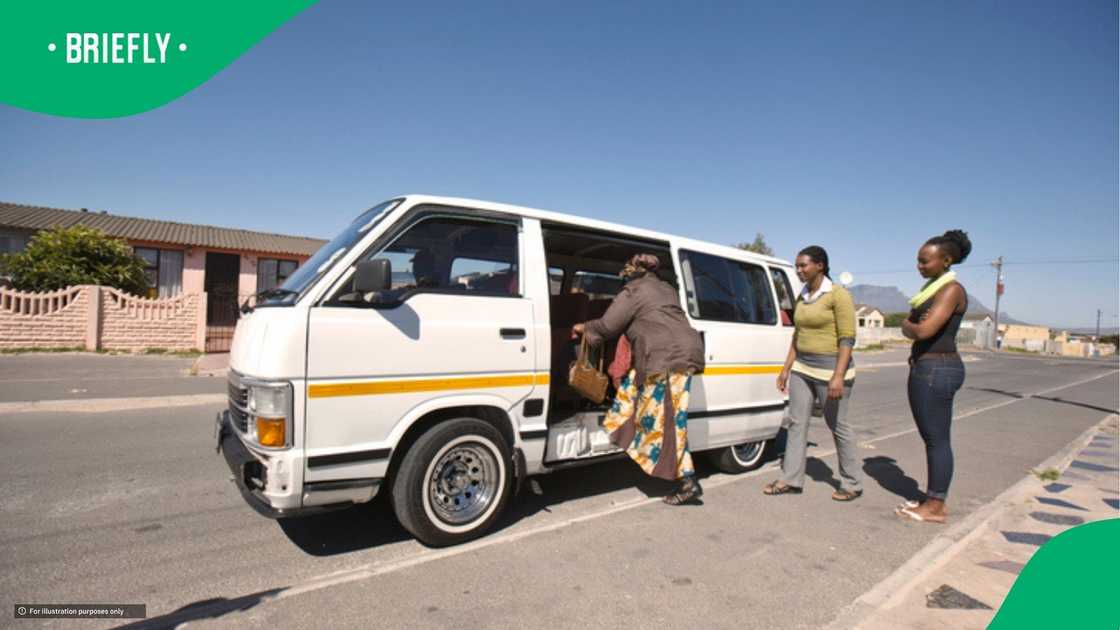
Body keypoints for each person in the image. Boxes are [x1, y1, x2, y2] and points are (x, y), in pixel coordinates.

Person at [572, 254, 706, 505]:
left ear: (634, 271)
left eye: (625, 270)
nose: (623, 274)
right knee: (643, 404)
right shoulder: (666, 288)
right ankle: (633, 440)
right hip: (678, 356)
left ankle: (688, 481)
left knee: (669, 423)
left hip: (666, 359)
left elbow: (609, 325)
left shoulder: (634, 290)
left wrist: (583, 328)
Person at [764, 246, 863, 501]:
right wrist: (786, 368)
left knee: (837, 424)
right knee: (796, 423)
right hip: (802, 368)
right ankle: (791, 479)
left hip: (831, 369)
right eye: (796, 266)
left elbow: (847, 338)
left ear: (820, 265)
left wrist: (838, 376)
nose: (798, 270)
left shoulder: (838, 295)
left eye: (803, 265)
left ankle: (852, 482)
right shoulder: (803, 295)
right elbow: (798, 334)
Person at [895, 230, 972, 524]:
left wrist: (909, 324)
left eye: (925, 261)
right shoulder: (932, 290)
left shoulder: (951, 291)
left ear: (946, 260)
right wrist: (913, 325)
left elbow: (923, 330)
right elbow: (917, 325)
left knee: (936, 440)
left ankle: (936, 506)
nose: (919, 266)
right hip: (928, 368)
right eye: (918, 261)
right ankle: (933, 499)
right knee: (933, 438)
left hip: (937, 370)